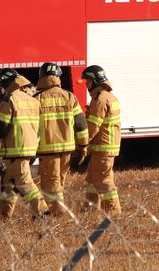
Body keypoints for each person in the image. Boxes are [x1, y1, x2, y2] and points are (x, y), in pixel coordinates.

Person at [0, 69, 45, 219]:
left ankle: (43, 211)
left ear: (6, 84)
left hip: (15, 150)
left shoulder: (9, 100)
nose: (1, 91)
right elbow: (39, 127)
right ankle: (2, 214)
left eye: (1, 87)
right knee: (9, 183)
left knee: (24, 182)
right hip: (29, 148)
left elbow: (1, 127)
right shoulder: (33, 101)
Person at [34, 62, 88, 216]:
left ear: (42, 77)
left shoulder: (37, 99)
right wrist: (83, 146)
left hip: (47, 150)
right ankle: (55, 210)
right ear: (58, 77)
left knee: (51, 183)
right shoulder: (70, 97)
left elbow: (31, 127)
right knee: (59, 182)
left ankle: (57, 213)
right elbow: (80, 123)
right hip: (67, 149)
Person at [82, 64, 122, 214]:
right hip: (104, 147)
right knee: (92, 179)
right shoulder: (108, 96)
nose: (86, 85)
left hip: (103, 147)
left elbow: (93, 126)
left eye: (87, 81)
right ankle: (90, 209)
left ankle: (113, 212)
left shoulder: (100, 99)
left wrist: (81, 142)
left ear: (94, 81)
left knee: (104, 181)